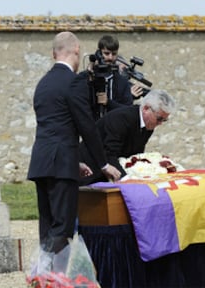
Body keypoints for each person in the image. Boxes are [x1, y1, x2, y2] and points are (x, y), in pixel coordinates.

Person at [27, 31, 121, 254]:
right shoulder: (74, 83)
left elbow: (55, 127)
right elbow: (86, 126)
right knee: (62, 228)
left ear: (53, 54)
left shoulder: (43, 84)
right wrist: (103, 163)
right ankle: (56, 280)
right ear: (76, 51)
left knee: (47, 226)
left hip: (42, 163)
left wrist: (76, 162)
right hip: (61, 167)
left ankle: (45, 278)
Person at [79, 89, 176, 185]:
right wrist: (127, 180)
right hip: (89, 172)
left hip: (112, 171)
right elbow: (109, 153)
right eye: (159, 118)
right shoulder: (121, 119)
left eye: (164, 120)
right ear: (146, 108)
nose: (160, 123)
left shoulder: (148, 124)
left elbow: (135, 156)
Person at [80, 35, 135, 120]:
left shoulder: (122, 81)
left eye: (114, 54)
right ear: (98, 53)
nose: (110, 57)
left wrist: (109, 103)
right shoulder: (88, 77)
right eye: (106, 53)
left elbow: (129, 111)